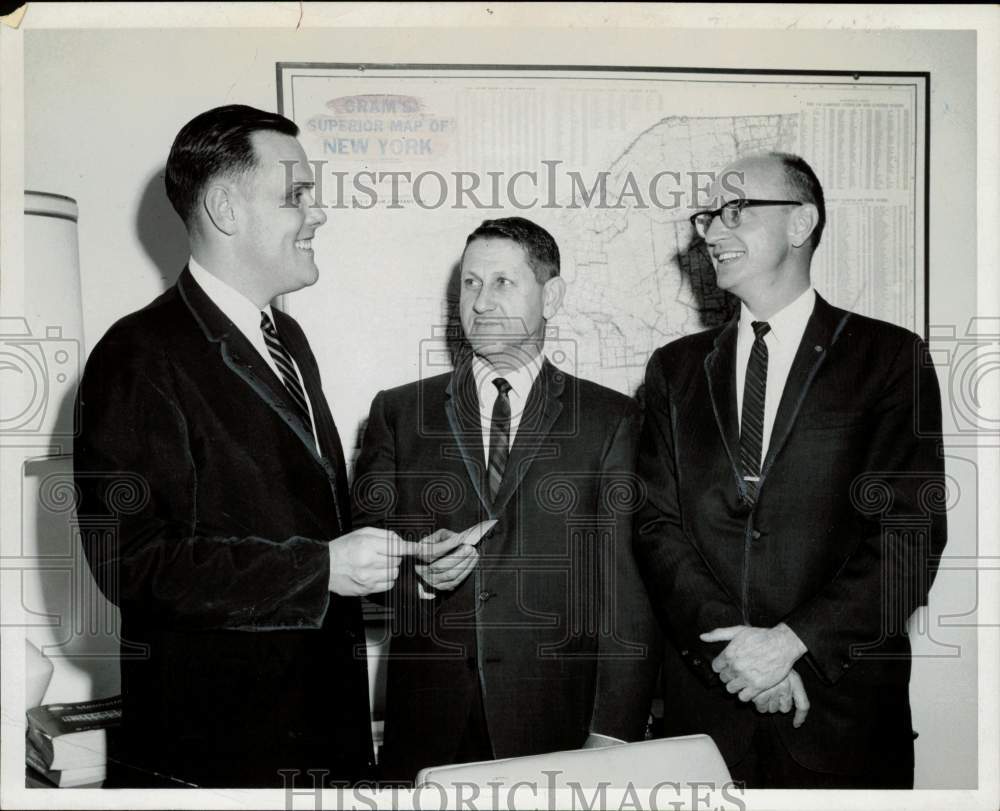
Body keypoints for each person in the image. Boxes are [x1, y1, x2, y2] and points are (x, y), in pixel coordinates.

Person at [73, 104, 416, 788]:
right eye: (297, 195)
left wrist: (397, 562)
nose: (317, 215)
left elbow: (301, 524)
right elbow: (131, 560)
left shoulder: (289, 343)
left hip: (325, 743)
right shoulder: (137, 353)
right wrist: (320, 569)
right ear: (227, 207)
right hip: (221, 760)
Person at [634, 152, 946, 788]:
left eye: (735, 212)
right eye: (708, 217)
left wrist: (792, 643)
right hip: (706, 721)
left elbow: (909, 535)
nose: (712, 233)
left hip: (841, 718)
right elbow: (654, 525)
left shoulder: (889, 358)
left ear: (801, 223)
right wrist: (738, 652)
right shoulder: (674, 369)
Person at [352, 217, 660, 783]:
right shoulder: (398, 413)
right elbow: (364, 556)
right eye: (470, 283)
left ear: (553, 295)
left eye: (502, 283)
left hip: (557, 724)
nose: (482, 301)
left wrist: (613, 730)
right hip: (428, 726)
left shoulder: (609, 419)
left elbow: (628, 591)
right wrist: (417, 579)